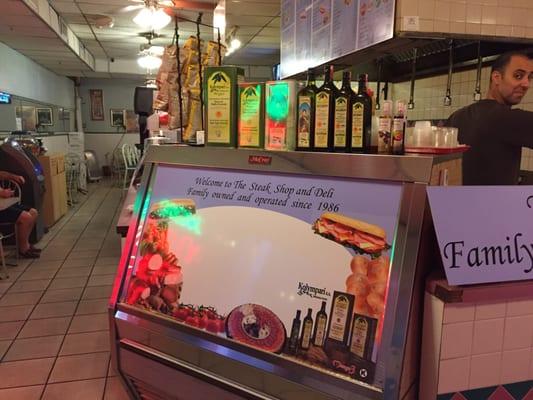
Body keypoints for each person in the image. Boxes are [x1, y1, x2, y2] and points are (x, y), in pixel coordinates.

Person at [446, 51, 533, 185]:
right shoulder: (507, 118)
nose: (526, 84)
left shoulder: (456, 116)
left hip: (456, 202)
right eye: (518, 76)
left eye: (530, 77)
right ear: (497, 77)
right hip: (493, 204)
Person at [0, 171, 41, 258]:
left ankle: (25, 244)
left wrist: (13, 176)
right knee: (26, 217)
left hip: (4, 204)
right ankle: (23, 249)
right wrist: (3, 192)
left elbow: (1, 174)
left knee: (33, 212)